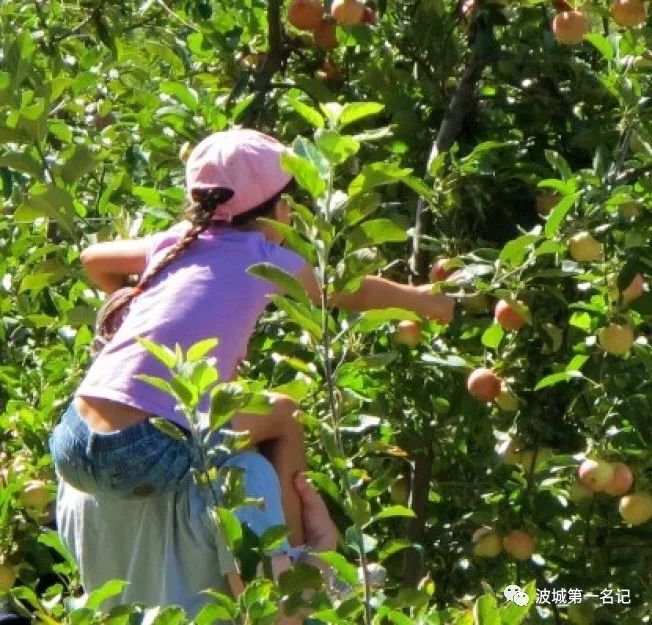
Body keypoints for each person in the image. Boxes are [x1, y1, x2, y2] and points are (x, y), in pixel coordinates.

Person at [50, 127, 455, 610]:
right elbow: (349, 291)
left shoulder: (179, 241)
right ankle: (300, 565)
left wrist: (141, 300)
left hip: (72, 439)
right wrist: (428, 303)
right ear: (281, 210)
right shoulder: (265, 254)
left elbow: (93, 259)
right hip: (146, 448)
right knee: (285, 414)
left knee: (239, 409)